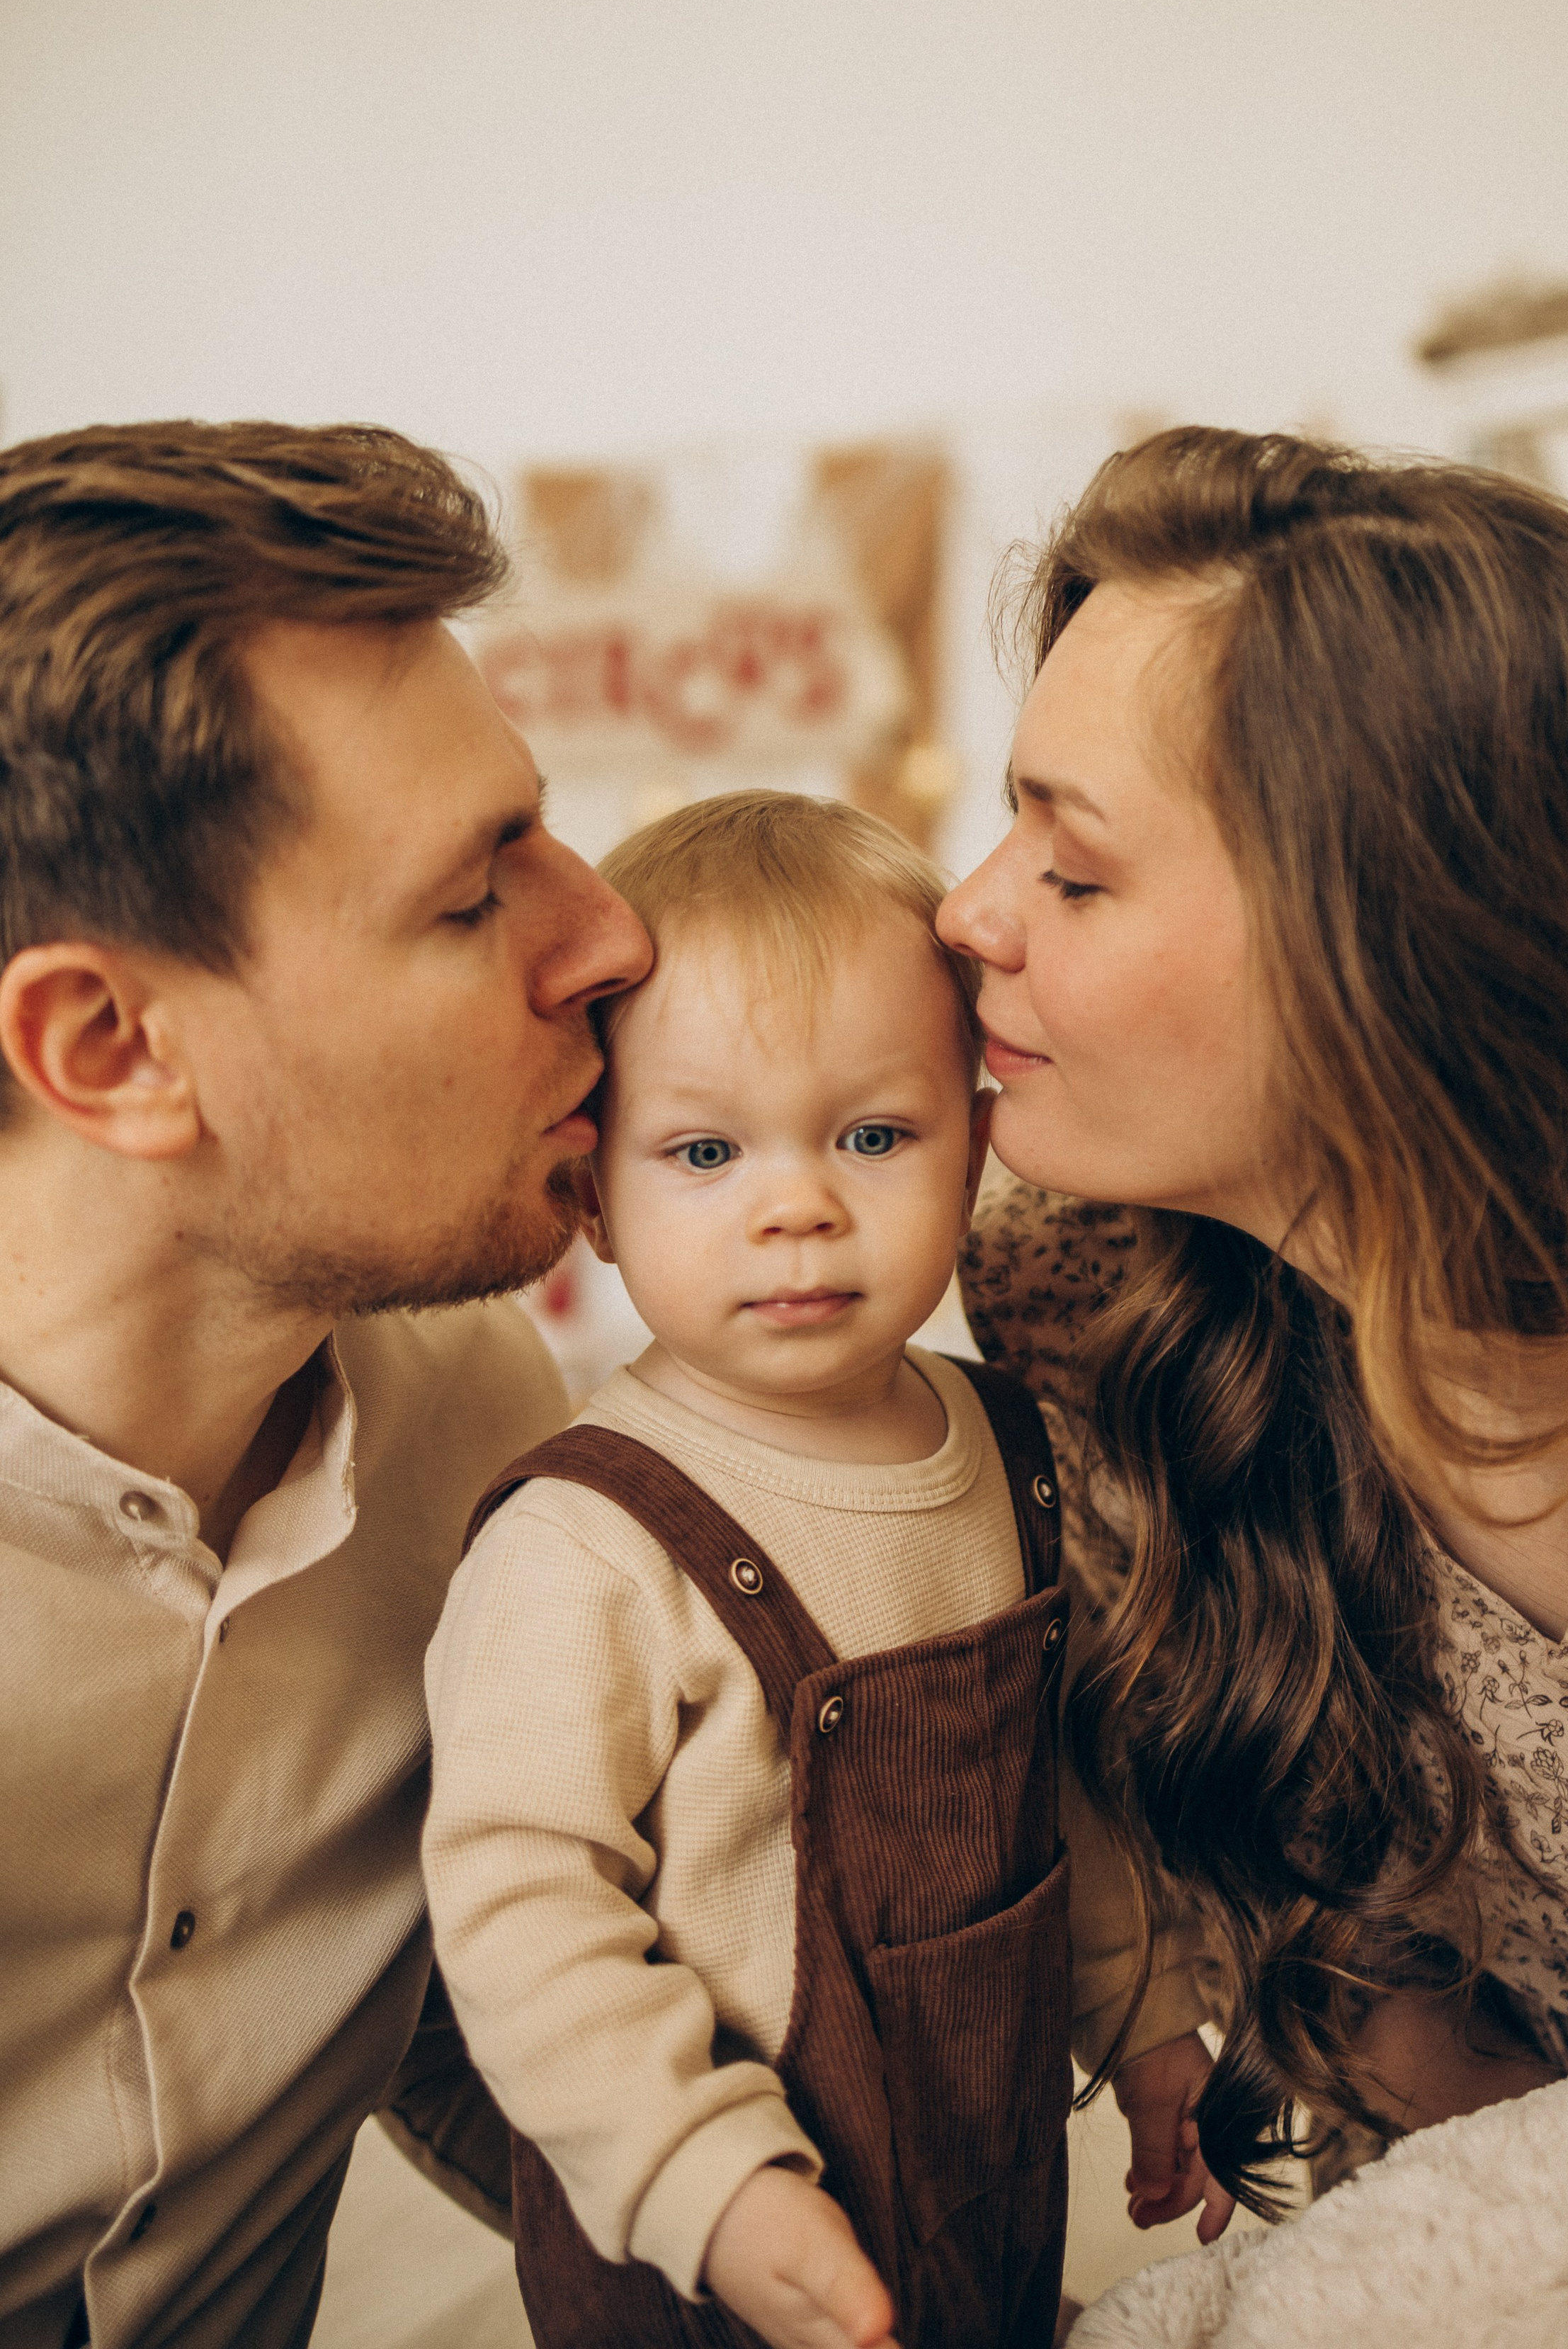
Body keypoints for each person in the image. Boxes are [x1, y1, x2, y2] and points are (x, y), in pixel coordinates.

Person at [938, 424, 1568, 2224]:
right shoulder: (1068, 1286)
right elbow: (1351, 1973)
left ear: (1396, 954)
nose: (965, 913)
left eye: (1073, 871)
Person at [0, 419, 652, 2349]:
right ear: (112, 1045)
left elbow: (500, 2021)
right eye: (475, 898)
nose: (610, 934)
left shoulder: (492, 1442)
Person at [421, 791, 1219, 2349]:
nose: (796, 1206)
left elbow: (1051, 1779)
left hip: (974, 2174)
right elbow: (519, 1904)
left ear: (977, 1145)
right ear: (591, 1195)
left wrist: (1141, 2012)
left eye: (871, 1135)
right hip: (702, 2249)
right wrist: (702, 2180)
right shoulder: (585, 1539)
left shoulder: (1005, 1440)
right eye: (704, 1150)